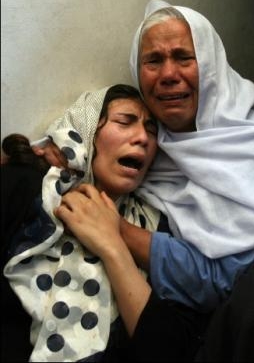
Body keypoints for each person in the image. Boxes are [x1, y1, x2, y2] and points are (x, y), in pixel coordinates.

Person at [21, 0, 254, 360]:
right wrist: (44, 152)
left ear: (210, 67)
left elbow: (219, 281)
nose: (168, 74)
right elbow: (92, 126)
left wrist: (115, 231)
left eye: (183, 57)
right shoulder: (157, 137)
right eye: (152, 60)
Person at [2, 84, 208, 362]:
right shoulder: (28, 188)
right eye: (125, 122)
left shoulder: (156, 229)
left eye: (151, 130)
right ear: (87, 132)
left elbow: (170, 350)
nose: (143, 138)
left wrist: (113, 246)